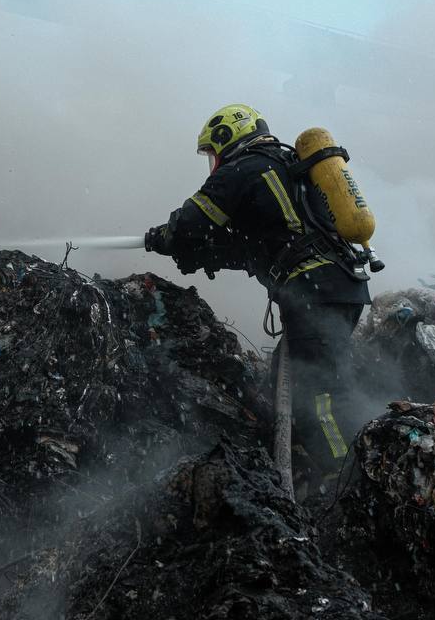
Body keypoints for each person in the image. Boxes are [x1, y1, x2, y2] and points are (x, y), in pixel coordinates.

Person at [144, 104, 371, 487]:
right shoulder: (285, 167)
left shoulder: (242, 169)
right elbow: (255, 246)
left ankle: (345, 481)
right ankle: (302, 469)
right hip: (339, 285)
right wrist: (200, 256)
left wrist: (162, 237)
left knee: (319, 396)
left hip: (314, 292)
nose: (213, 164)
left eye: (212, 154)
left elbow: (190, 223)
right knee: (287, 384)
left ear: (225, 138)